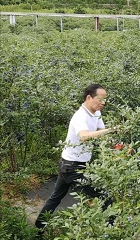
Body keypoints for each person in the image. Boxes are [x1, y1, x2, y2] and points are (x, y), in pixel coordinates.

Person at [35, 84, 119, 233]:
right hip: (72, 167)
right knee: (105, 197)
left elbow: (101, 134)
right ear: (89, 98)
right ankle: (110, 233)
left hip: (72, 164)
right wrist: (110, 130)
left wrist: (117, 146)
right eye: (100, 99)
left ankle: (37, 230)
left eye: (104, 100)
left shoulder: (96, 113)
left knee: (55, 197)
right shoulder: (80, 116)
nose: (103, 103)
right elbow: (84, 136)